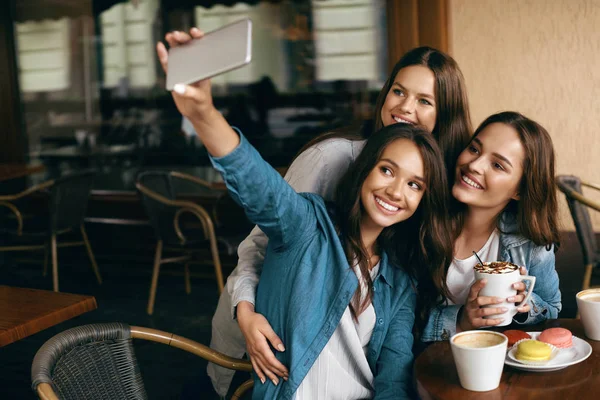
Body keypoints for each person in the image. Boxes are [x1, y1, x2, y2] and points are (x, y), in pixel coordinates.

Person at [159, 28, 454, 398]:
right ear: (363, 167)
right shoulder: (310, 225)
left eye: (415, 185)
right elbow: (261, 189)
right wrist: (203, 113)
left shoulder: (398, 280)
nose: (396, 191)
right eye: (387, 170)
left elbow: (392, 378)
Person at [421, 111, 562, 341]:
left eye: (497, 165)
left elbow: (552, 306)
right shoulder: (422, 223)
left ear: (519, 190)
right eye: (474, 149)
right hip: (425, 366)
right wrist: (460, 320)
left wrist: (524, 303)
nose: (474, 165)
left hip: (496, 364)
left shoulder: (530, 242)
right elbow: (395, 319)